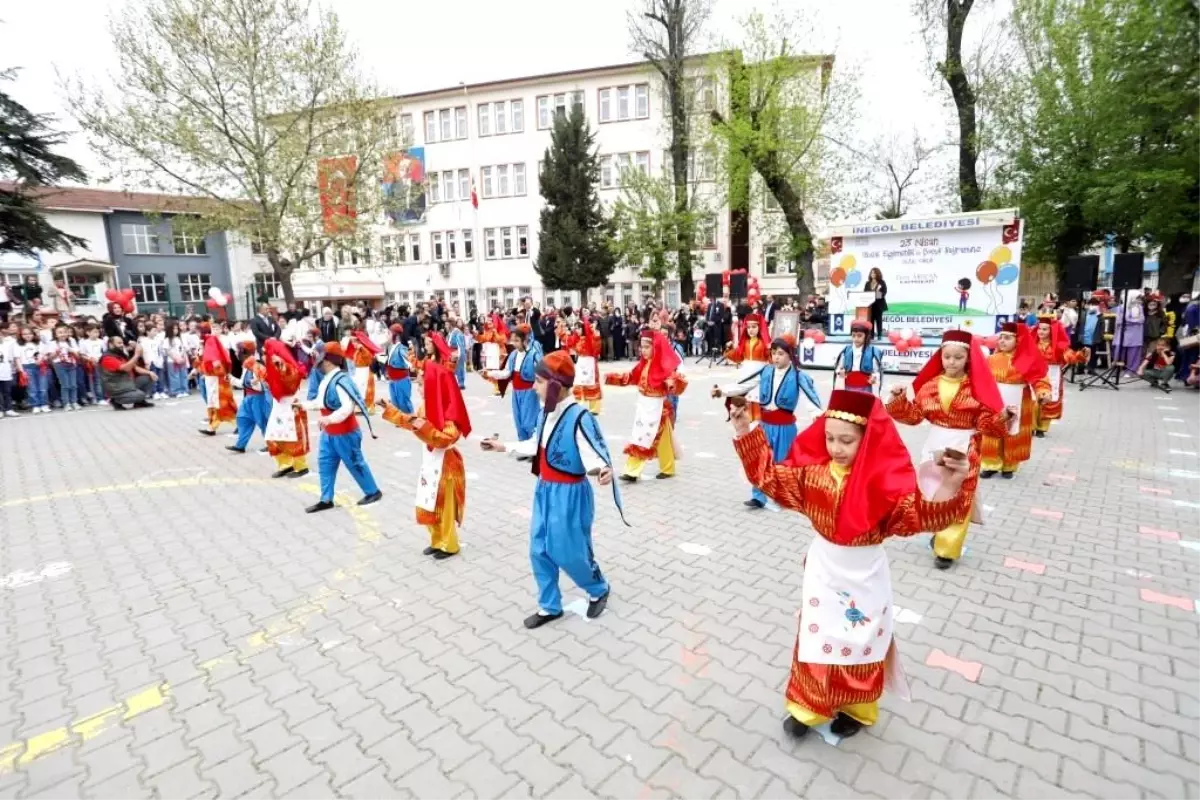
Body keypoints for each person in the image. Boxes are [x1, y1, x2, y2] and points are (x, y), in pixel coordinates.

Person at [731, 389, 973, 740]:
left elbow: (921, 518)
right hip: (824, 567)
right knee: (817, 636)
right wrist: (744, 430)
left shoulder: (885, 485)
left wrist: (952, 483)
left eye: (846, 440)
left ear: (868, 440)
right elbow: (768, 478)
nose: (836, 447)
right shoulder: (811, 474)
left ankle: (858, 708)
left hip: (866, 574)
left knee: (862, 641)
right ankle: (808, 707)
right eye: (829, 438)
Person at [480, 351, 620, 628]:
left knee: (568, 550)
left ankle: (598, 588)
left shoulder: (579, 416)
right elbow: (535, 445)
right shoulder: (548, 412)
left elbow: (596, 456)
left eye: (539, 382)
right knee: (538, 548)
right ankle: (549, 605)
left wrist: (604, 471)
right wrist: (503, 447)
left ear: (555, 385)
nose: (533, 387)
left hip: (569, 495)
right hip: (545, 490)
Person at [887, 330, 1010, 569]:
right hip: (934, 445)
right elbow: (914, 417)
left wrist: (1004, 417)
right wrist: (898, 399)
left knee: (960, 495)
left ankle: (947, 548)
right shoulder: (931, 385)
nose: (951, 362)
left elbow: (986, 424)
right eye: (947, 357)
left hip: (965, 447)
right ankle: (936, 526)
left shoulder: (975, 387)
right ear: (940, 357)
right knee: (933, 492)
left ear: (968, 359)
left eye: (958, 357)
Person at [379, 334, 470, 559]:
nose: (418, 388)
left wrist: (422, 427)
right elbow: (413, 423)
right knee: (429, 501)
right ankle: (436, 539)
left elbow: (445, 438)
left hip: (446, 464)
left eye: (421, 384)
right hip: (430, 462)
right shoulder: (425, 406)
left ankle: (449, 544)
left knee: (444, 506)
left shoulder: (449, 409)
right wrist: (392, 411)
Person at [735, 335, 822, 510]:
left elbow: (810, 397)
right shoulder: (766, 371)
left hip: (785, 427)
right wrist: (721, 391)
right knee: (761, 460)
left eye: (781, 353)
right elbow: (744, 384)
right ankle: (758, 497)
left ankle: (782, 496)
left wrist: (817, 414)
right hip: (764, 424)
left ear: (790, 355)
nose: (776, 357)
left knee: (782, 463)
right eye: (774, 353)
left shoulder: (798, 375)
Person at [303, 341, 382, 513]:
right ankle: (326, 499)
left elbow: (347, 408)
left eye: (321, 359)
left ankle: (373, 491)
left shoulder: (341, 380)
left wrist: (329, 419)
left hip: (344, 432)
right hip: (330, 432)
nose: (318, 362)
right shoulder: (329, 379)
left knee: (355, 463)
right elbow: (321, 402)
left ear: (329, 360)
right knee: (324, 464)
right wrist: (302, 405)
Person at [605, 330, 688, 482]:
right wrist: (611, 378)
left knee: (650, 438)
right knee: (650, 436)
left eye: (646, 347)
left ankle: (639, 470)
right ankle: (658, 468)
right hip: (644, 407)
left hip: (658, 408)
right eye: (641, 347)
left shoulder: (664, 368)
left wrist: (672, 383)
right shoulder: (643, 365)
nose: (642, 350)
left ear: (655, 347)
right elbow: (630, 377)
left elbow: (679, 383)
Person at [980, 323, 1051, 479]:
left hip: (1020, 400)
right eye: (1001, 338)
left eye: (1007, 338)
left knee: (1015, 433)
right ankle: (990, 464)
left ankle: (1009, 466)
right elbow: (981, 379)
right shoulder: (991, 359)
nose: (1002, 341)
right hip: (995, 401)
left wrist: (1043, 391)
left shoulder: (1027, 359)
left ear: (1018, 340)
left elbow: (1040, 378)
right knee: (992, 431)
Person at [261, 338, 311, 478]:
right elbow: (269, 379)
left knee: (293, 436)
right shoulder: (272, 364)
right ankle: (285, 464)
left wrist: (281, 365)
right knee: (274, 435)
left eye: (266, 352)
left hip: (291, 405)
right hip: (279, 406)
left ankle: (301, 466)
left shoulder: (288, 365)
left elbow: (291, 381)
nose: (264, 355)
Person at [486, 324, 543, 444]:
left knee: (529, 421)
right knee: (519, 421)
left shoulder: (533, 355)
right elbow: (506, 373)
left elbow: (541, 373)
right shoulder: (513, 355)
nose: (514, 343)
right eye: (513, 340)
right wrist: (490, 373)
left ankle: (533, 447)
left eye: (517, 340)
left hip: (530, 393)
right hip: (516, 393)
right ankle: (523, 446)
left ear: (525, 340)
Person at [1033, 315, 1078, 436]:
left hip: (1052, 373)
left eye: (1045, 329)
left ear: (1051, 331)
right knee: (1033, 399)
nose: (1041, 332)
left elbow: (1070, 356)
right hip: (1035, 373)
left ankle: (1041, 428)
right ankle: (1031, 425)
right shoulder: (1032, 343)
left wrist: (1080, 355)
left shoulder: (1057, 346)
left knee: (1048, 399)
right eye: (1039, 329)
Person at [722, 312, 771, 422]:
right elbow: (738, 357)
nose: (751, 330)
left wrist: (771, 349)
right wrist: (728, 350)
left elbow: (772, 360)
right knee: (742, 400)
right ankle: (745, 428)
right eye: (748, 327)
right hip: (745, 374)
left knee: (755, 402)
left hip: (759, 376)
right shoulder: (745, 342)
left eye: (754, 327)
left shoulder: (764, 344)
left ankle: (757, 428)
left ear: (760, 327)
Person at [228, 341, 269, 453]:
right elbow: (242, 383)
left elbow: (262, 387)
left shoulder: (257, 365)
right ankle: (240, 445)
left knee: (263, 422)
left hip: (258, 399)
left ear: (244, 352)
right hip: (249, 398)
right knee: (242, 418)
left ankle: (271, 444)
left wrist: (254, 383)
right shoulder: (246, 365)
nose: (236, 353)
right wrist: (230, 378)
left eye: (238, 350)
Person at [98, 336, 156, 410]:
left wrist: (149, 372)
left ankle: (139, 403)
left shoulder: (120, 354)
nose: (122, 345)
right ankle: (115, 400)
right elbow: (126, 368)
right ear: (111, 345)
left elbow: (135, 367)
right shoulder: (107, 358)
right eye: (119, 343)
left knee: (148, 377)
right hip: (117, 388)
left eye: (122, 343)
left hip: (126, 383)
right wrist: (136, 355)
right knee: (140, 395)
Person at [198, 334, 238, 435]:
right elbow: (202, 362)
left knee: (222, 403)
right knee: (214, 403)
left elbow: (216, 366)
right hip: (211, 380)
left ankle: (239, 424)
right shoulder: (207, 347)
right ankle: (212, 427)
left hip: (217, 381)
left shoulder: (211, 347)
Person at [835, 321, 884, 392]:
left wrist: (874, 377)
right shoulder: (846, 350)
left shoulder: (873, 351)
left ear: (866, 336)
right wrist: (840, 371)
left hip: (865, 387)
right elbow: (839, 367)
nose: (856, 338)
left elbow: (876, 371)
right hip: (849, 386)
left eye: (859, 335)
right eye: (853, 335)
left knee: (864, 403)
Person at [342, 325, 381, 413]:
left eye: (354, 342)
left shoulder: (363, 350)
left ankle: (365, 406)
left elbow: (369, 358)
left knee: (364, 389)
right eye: (352, 342)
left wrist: (362, 348)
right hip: (359, 371)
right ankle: (360, 405)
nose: (353, 344)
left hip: (365, 371)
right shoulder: (357, 350)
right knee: (358, 388)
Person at [571, 317, 603, 413]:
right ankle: (577, 404)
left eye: (579, 328)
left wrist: (595, 335)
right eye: (576, 328)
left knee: (591, 384)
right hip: (581, 363)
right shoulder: (578, 339)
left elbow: (596, 348)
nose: (577, 330)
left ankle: (594, 408)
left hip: (590, 364)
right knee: (579, 383)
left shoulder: (591, 339)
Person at [383, 324, 415, 414]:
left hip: (401, 379)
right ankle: (401, 420)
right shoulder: (391, 347)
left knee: (403, 402)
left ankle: (411, 420)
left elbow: (408, 359)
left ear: (395, 335)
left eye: (389, 333)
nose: (387, 335)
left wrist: (411, 365)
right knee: (395, 401)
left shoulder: (401, 348)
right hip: (393, 379)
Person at [864, 269, 888, 340]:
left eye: (874, 273)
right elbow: (865, 292)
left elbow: (884, 292)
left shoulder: (881, 282)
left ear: (878, 274)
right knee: (870, 320)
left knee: (879, 320)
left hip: (878, 304)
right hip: (870, 305)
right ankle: (871, 335)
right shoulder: (867, 283)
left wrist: (875, 295)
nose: (873, 274)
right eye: (871, 273)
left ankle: (879, 335)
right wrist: (869, 296)